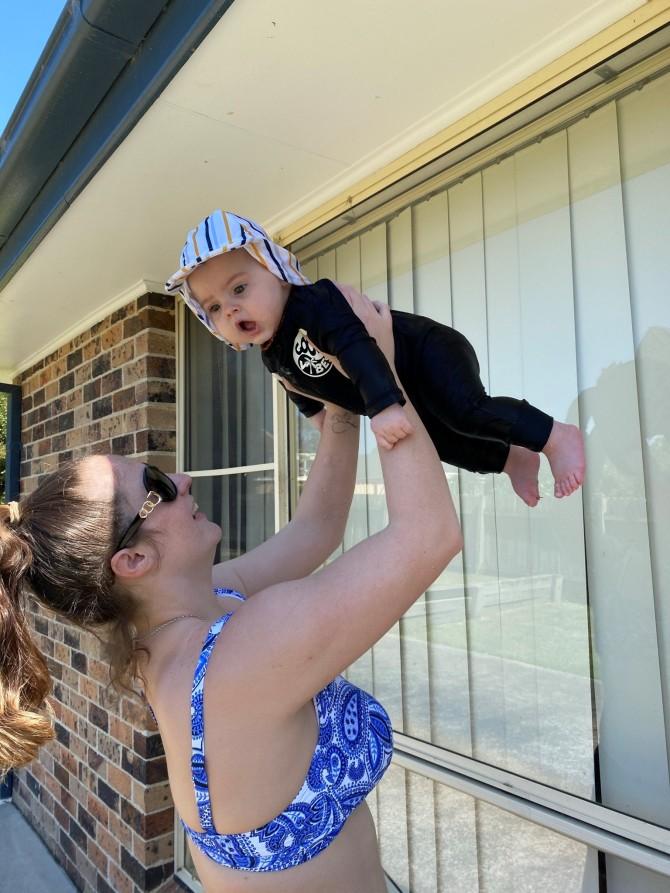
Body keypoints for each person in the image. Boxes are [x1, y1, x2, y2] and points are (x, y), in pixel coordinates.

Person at [0, 298, 462, 892]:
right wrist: (378, 373)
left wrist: (342, 411)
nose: (184, 479)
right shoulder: (239, 658)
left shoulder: (184, 623)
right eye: (160, 487)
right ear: (133, 560)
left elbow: (313, 531)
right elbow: (428, 536)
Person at [166, 210, 586, 507]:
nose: (231, 309)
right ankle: (512, 456)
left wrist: (383, 405)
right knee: (442, 441)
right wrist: (319, 419)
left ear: (276, 272)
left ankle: (553, 435)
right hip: (404, 388)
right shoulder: (270, 352)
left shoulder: (315, 304)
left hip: (427, 353)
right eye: (216, 307)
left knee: (465, 411)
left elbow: (354, 345)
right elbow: (300, 387)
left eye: (239, 289)